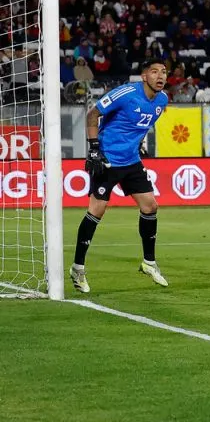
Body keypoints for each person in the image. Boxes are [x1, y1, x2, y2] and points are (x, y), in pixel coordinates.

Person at [70, 60, 170, 293]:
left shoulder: (162, 100)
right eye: (154, 72)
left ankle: (149, 263)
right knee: (97, 210)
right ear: (144, 77)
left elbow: (140, 126)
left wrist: (138, 143)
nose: (160, 76)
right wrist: (94, 149)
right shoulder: (125, 94)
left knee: (150, 206)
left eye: (164, 72)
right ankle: (78, 267)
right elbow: (93, 115)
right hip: (107, 159)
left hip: (131, 160)